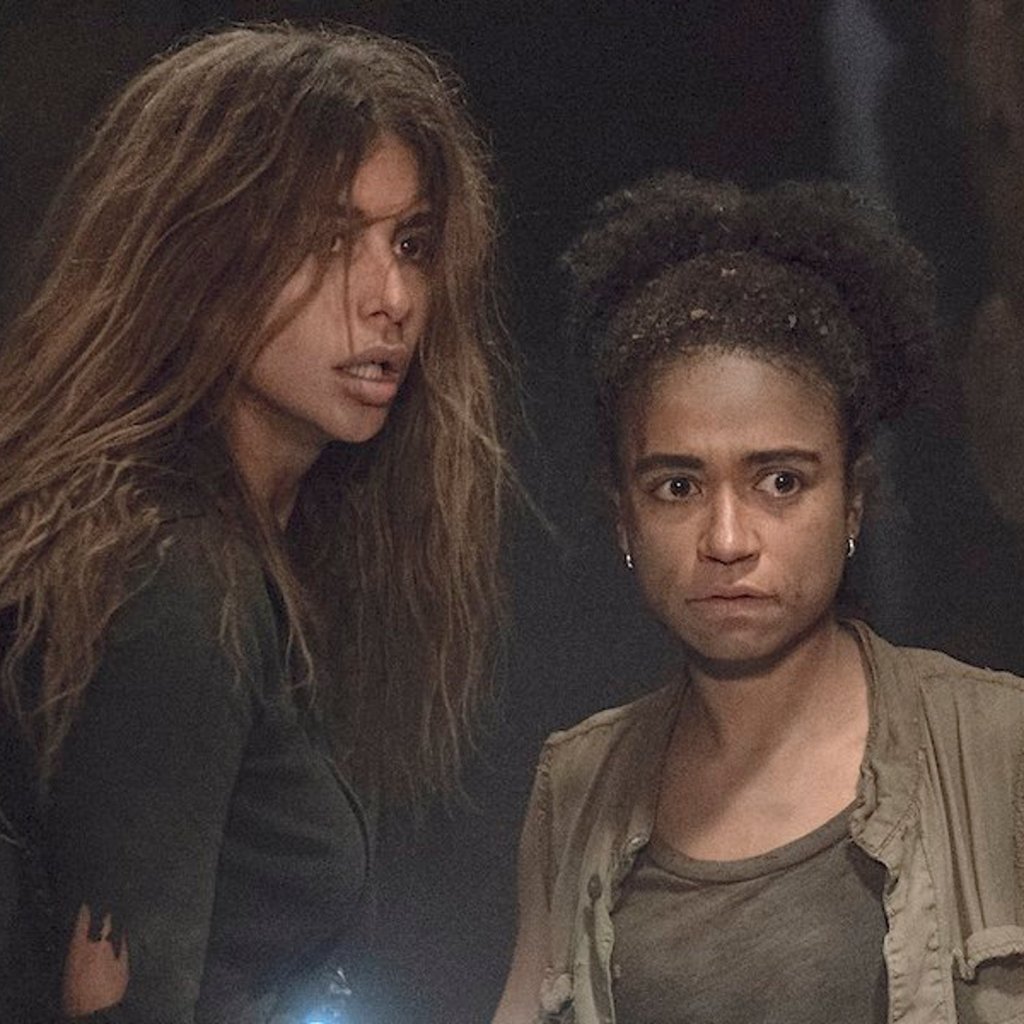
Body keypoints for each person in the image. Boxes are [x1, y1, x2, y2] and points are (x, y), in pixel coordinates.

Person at [0, 23, 510, 1023]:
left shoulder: (236, 551)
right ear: (203, 255)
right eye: (328, 241)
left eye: (410, 245)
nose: (391, 297)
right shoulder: (168, 573)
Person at [493, 173, 1024, 1024]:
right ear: (622, 517)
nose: (729, 538)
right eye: (677, 486)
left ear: (854, 502)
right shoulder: (578, 792)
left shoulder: (999, 752)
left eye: (780, 481)